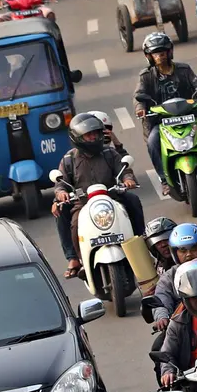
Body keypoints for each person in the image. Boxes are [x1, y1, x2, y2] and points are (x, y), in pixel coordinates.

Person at [52, 113, 144, 279]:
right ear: (77, 137)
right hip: (83, 205)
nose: (94, 137)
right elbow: (61, 183)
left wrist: (128, 180)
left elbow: (125, 171)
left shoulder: (110, 154)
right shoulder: (68, 159)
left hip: (112, 198)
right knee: (72, 222)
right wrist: (61, 193)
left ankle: (141, 242)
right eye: (89, 135)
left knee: (133, 200)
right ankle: (75, 258)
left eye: (96, 133)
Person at [133, 32, 197, 194]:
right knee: (152, 142)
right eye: (156, 53)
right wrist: (140, 108)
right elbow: (139, 96)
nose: (160, 56)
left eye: (163, 52)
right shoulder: (146, 76)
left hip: (190, 119)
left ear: (169, 52)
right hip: (160, 122)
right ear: (149, 56)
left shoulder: (184, 69)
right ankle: (164, 180)